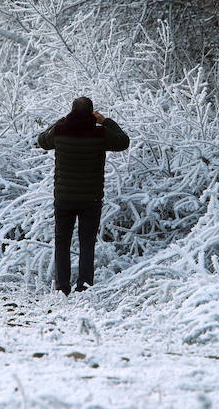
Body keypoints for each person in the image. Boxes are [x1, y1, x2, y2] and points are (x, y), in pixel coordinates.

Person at [37, 97, 130, 295]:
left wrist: (62, 120)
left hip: (64, 198)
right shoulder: (100, 133)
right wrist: (105, 121)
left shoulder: (60, 131)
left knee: (62, 242)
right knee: (87, 243)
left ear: (71, 112)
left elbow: (42, 140)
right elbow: (123, 141)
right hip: (91, 199)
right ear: (91, 113)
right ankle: (84, 286)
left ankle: (62, 287)